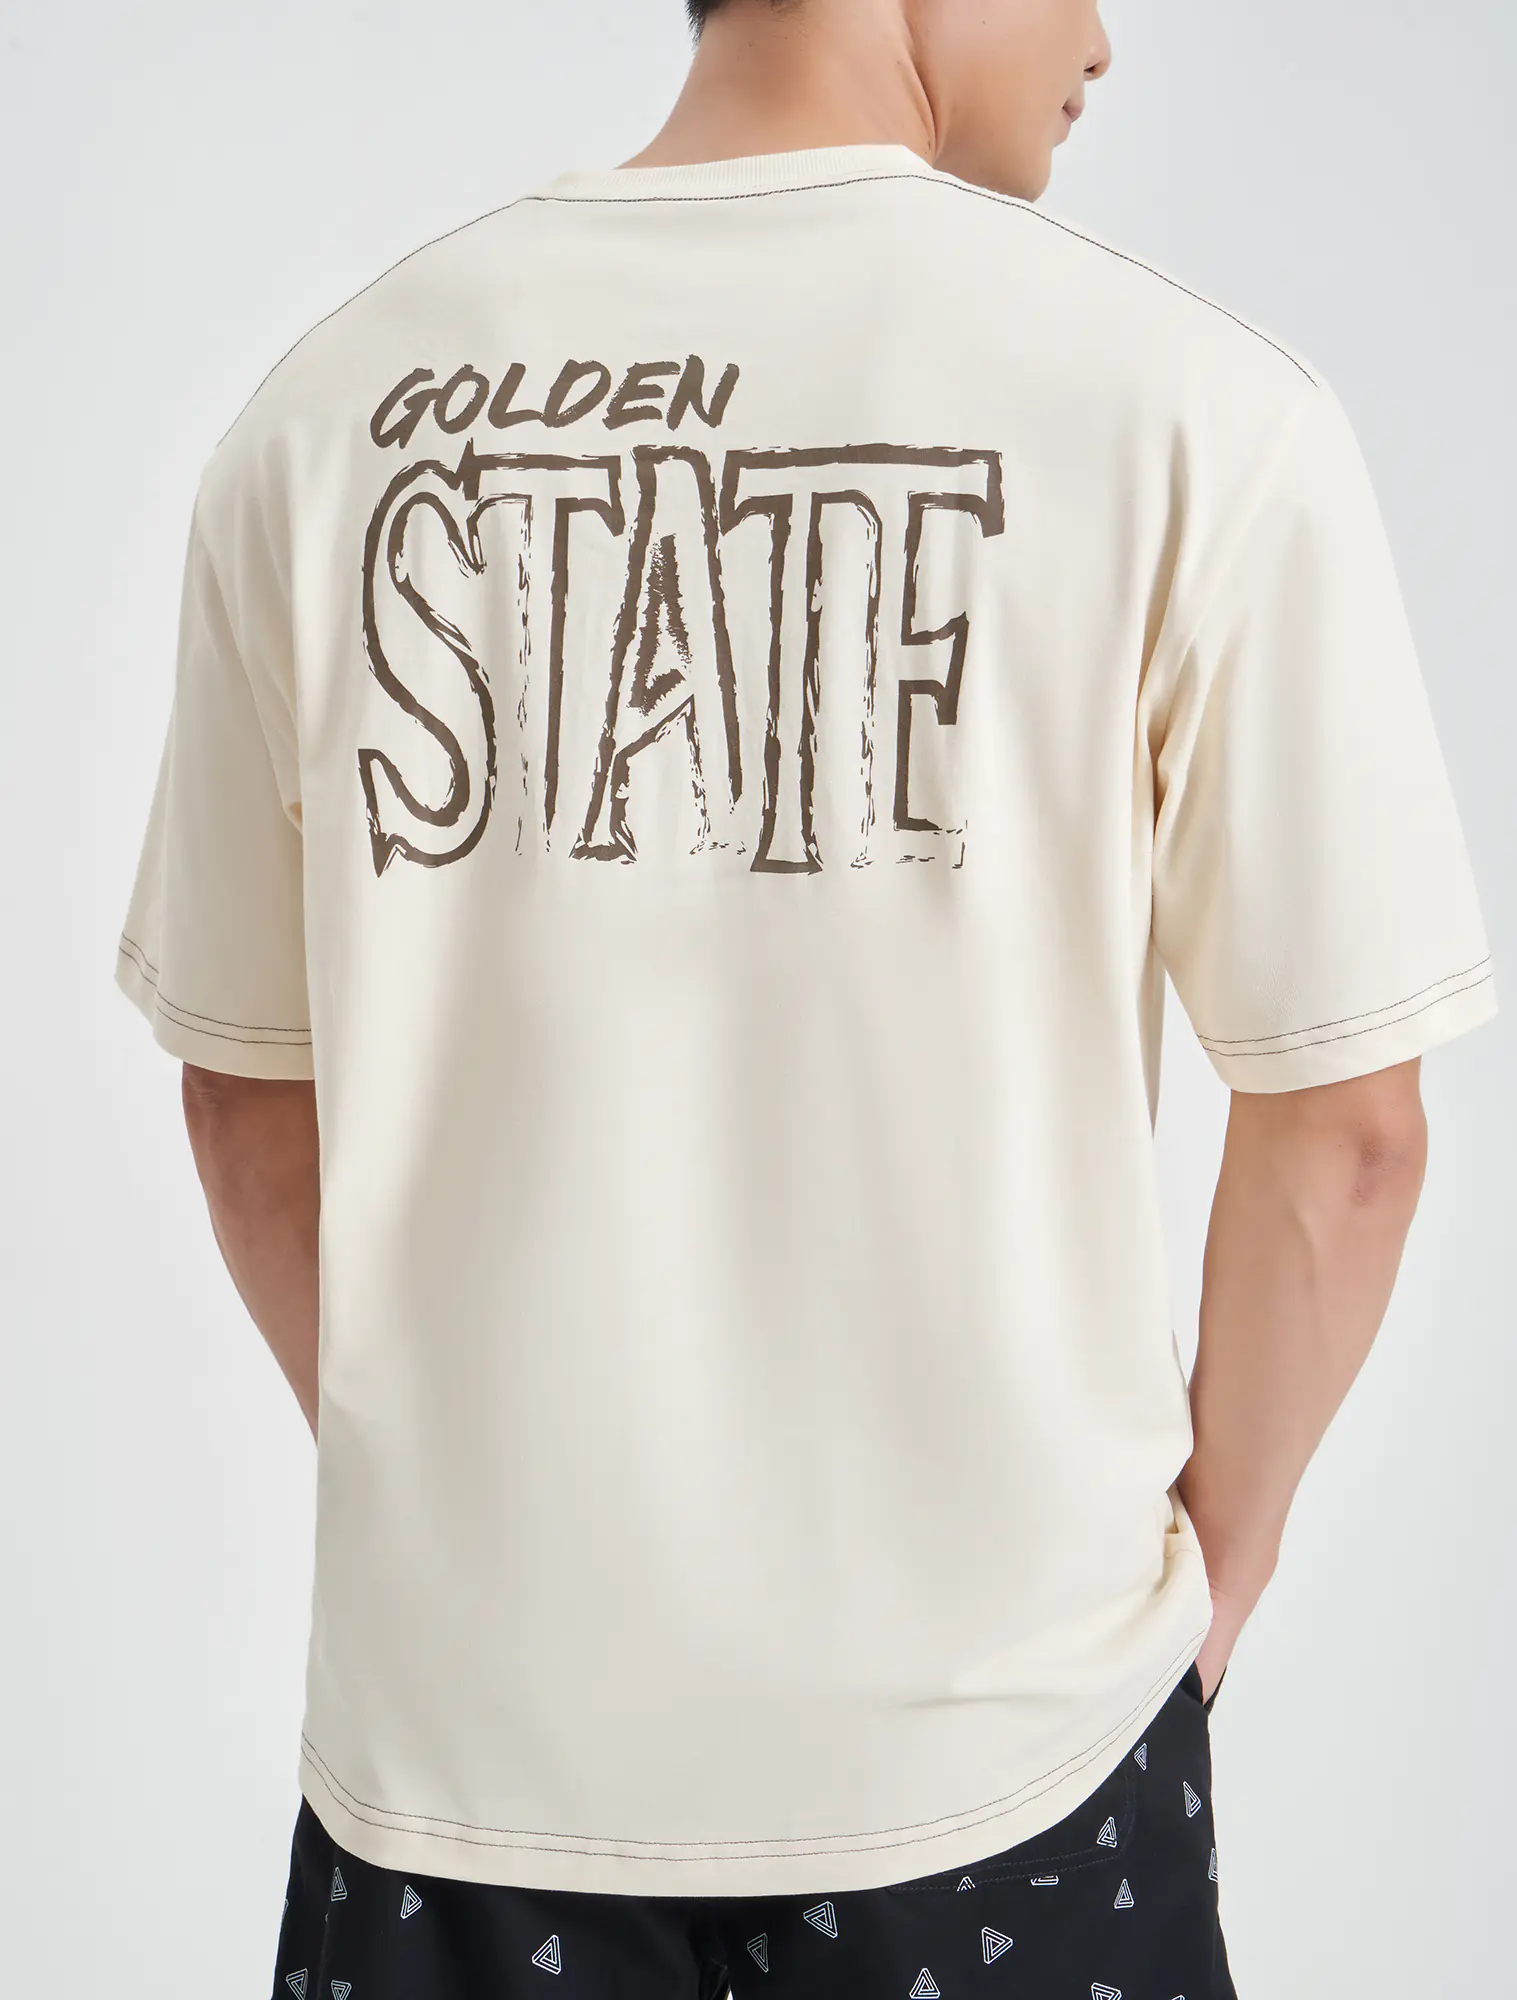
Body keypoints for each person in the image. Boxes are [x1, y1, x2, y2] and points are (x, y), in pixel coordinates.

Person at [114, 1, 1498, 1995]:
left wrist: (470, 1518)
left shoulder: (321, 423)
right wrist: (1222, 1571)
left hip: (455, 1782)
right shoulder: (1194, 413)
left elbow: (245, 1098)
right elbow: (1350, 1132)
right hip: (1003, 1773)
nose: (1102, 36)